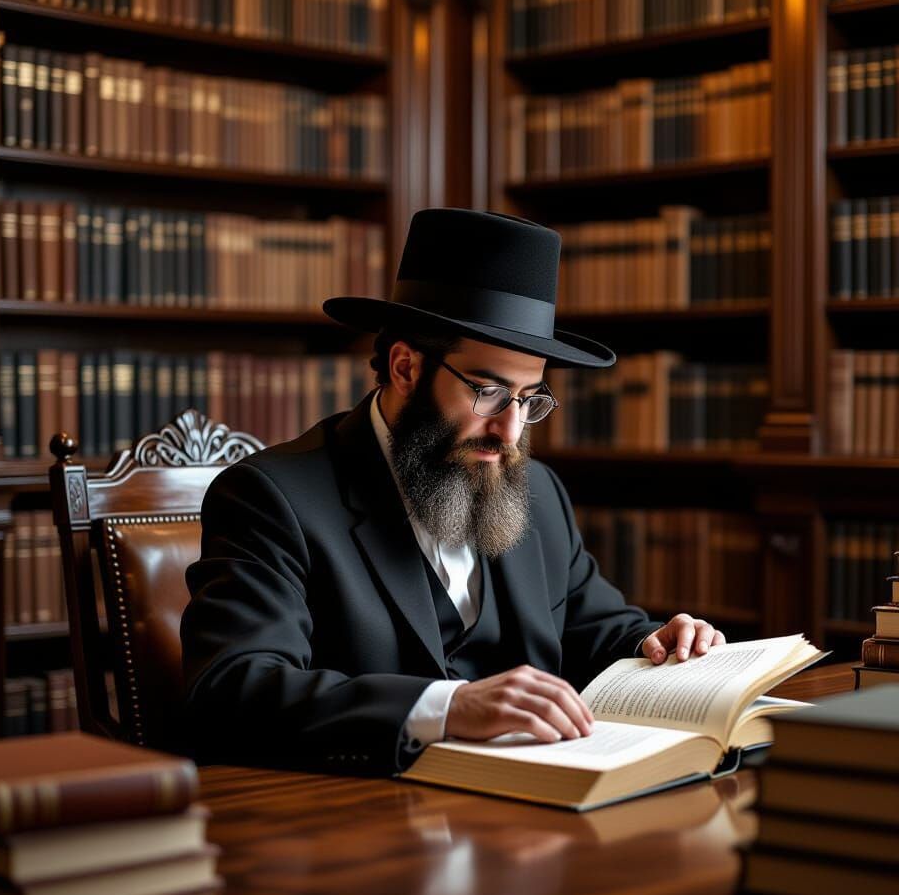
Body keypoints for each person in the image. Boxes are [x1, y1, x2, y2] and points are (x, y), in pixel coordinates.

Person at [181, 208, 725, 774]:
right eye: (488, 392)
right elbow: (231, 689)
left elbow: (594, 629)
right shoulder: (271, 498)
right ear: (405, 368)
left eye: (528, 399)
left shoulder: (537, 491)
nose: (510, 430)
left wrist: (658, 643)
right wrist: (447, 708)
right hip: (355, 822)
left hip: (530, 812)